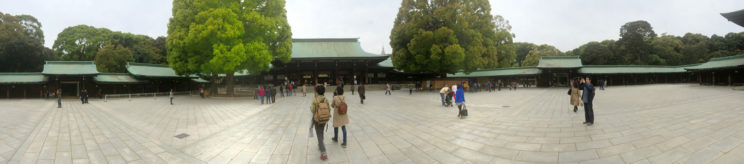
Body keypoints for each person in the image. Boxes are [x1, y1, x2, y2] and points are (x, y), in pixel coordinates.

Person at [310, 85, 330, 160]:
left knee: (319, 134)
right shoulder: (326, 99)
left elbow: (312, 110)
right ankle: (320, 144)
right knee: (321, 132)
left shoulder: (315, 99)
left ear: (317, 91)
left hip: (317, 120)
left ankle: (323, 153)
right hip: (325, 119)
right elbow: (329, 109)